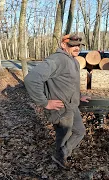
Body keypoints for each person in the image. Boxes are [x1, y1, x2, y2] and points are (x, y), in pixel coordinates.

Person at [24, 34, 91, 169]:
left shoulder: (74, 60)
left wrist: (78, 96)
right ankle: (60, 158)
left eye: (78, 45)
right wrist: (45, 102)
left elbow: (71, 82)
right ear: (63, 45)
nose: (76, 47)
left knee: (80, 131)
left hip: (72, 105)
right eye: (72, 45)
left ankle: (64, 152)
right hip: (61, 109)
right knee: (64, 135)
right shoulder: (58, 59)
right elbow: (32, 78)